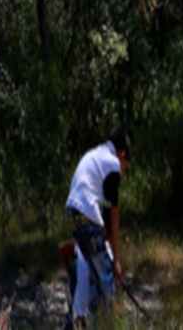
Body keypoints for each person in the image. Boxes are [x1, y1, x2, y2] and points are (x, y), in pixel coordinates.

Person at [62, 128, 129, 325]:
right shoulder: (113, 164)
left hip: (76, 216)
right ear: (122, 154)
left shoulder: (95, 155)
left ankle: (75, 321)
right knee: (106, 281)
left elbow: (105, 217)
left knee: (86, 274)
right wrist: (116, 260)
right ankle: (109, 324)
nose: (124, 171)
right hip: (88, 220)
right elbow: (114, 216)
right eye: (126, 166)